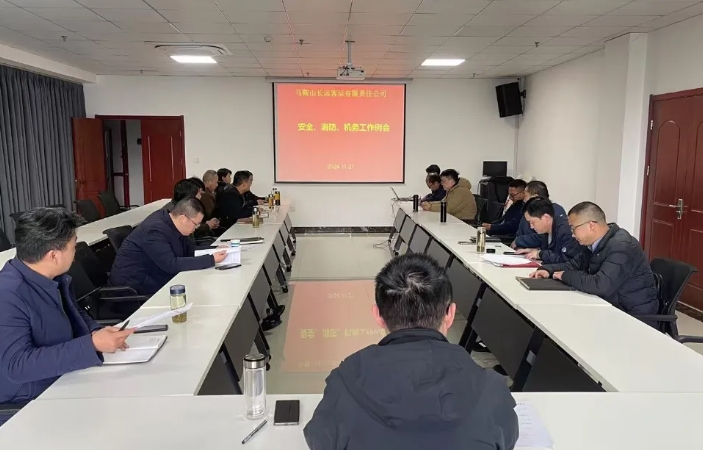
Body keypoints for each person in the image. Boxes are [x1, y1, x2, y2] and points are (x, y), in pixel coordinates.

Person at [304, 253, 519, 450]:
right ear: (450, 314)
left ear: (378, 315)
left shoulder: (345, 382)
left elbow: (320, 440)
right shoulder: (490, 388)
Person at [0, 208, 135, 420]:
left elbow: (75, 313)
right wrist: (91, 345)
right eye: (73, 247)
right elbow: (17, 365)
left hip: (65, 376)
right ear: (53, 255)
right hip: (30, 399)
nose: (75, 255)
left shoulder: (52, 277)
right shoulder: (8, 294)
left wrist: (96, 332)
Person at [530, 201, 659, 318]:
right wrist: (548, 270)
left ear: (591, 225)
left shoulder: (622, 246)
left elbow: (600, 285)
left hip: (633, 316)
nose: (572, 235)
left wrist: (564, 275)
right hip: (610, 307)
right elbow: (573, 265)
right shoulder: (593, 243)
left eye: (574, 229)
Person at [110, 197, 226, 296]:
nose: (196, 228)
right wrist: (211, 259)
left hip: (154, 278)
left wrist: (214, 250)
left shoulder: (173, 223)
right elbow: (171, 264)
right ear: (183, 219)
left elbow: (189, 251)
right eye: (196, 224)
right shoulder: (155, 230)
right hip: (134, 290)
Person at [516, 197, 582, 264]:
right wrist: (536, 251)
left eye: (532, 222)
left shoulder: (566, 231)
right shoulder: (546, 230)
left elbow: (566, 260)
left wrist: (540, 254)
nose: (531, 227)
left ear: (546, 218)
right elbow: (552, 252)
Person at [513, 180, 566, 249]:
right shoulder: (528, 212)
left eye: (525, 196)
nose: (524, 200)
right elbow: (519, 233)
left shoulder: (555, 211)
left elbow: (543, 237)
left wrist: (519, 241)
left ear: (535, 197)